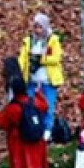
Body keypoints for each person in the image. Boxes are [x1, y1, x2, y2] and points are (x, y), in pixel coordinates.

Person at [18, 13, 64, 141]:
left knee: (48, 106)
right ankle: (34, 128)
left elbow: (56, 58)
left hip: (47, 80)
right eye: (35, 27)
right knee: (31, 106)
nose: (37, 30)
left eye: (40, 27)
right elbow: (22, 58)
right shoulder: (28, 41)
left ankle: (47, 130)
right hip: (32, 80)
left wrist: (41, 60)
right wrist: (19, 72)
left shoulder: (53, 40)